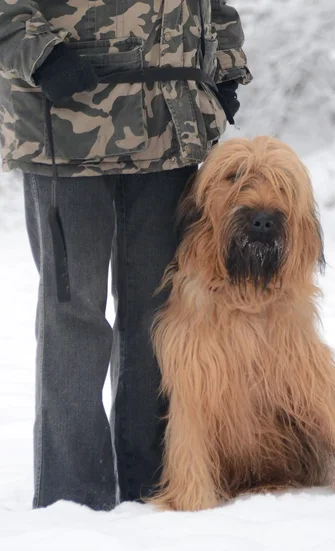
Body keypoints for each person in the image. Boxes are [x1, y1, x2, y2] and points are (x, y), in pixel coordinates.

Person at [0, 0, 252, 511]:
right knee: (74, 312)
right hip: (65, 130)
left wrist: (225, 68)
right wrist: (42, 56)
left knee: (160, 312)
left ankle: (156, 479)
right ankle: (72, 493)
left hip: (169, 128)